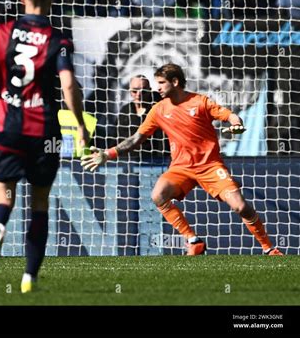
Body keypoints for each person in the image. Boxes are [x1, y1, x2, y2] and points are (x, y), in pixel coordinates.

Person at [82, 63, 283, 256]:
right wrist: (107, 154)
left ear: (175, 82)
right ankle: (193, 241)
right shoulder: (158, 110)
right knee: (158, 195)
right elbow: (136, 139)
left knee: (241, 206)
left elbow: (230, 116)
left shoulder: (200, 102)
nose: (157, 88)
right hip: (181, 168)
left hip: (210, 166)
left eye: (161, 83)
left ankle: (268, 248)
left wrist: (236, 123)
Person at [0, 0, 89, 292]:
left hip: (8, 128)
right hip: (44, 130)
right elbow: (69, 84)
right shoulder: (57, 39)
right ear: (50, 0)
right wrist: (81, 126)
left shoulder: (1, 32)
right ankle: (29, 278)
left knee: (3, 199)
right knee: (40, 204)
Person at [107, 74, 168, 159]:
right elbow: (115, 138)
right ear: (130, 91)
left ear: (150, 91)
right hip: (127, 163)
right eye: (134, 91)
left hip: (153, 162)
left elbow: (163, 142)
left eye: (143, 92)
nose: (139, 95)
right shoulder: (125, 111)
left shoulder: (159, 109)